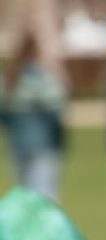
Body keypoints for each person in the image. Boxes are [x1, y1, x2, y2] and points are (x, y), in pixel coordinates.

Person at [0, 29, 66, 202]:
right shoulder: (43, 77)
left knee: (26, 197)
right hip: (44, 143)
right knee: (45, 196)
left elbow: (4, 113)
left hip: (18, 144)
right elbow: (55, 109)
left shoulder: (10, 77)